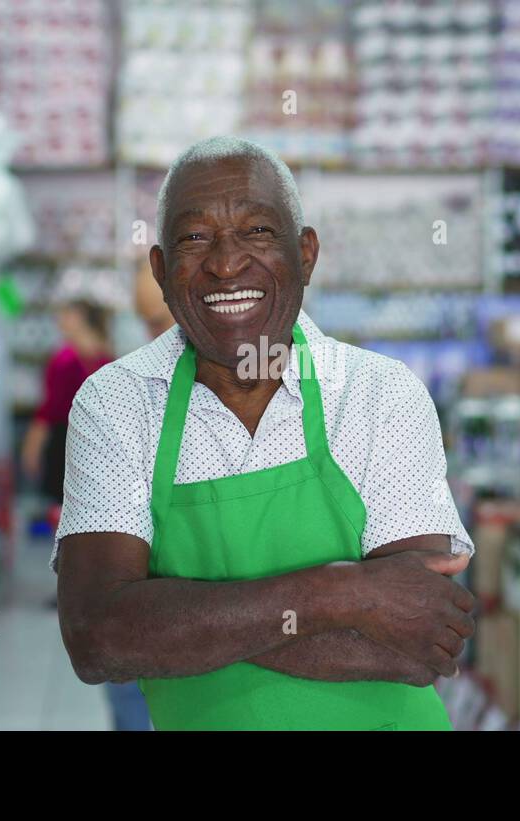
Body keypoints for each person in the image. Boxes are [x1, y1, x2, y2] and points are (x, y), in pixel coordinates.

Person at [53, 136, 475, 731]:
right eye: (195, 238)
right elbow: (98, 638)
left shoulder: (380, 394)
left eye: (257, 232)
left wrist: (175, 619)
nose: (227, 263)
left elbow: (417, 643)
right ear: (161, 270)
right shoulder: (116, 403)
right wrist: (342, 594)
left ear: (305, 254)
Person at [22, 298, 112, 521]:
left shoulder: (63, 360)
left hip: (66, 440)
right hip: (100, 441)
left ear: (80, 318)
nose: (59, 321)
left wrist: (32, 448)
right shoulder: (107, 356)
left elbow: (49, 410)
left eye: (65, 315)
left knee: (65, 508)